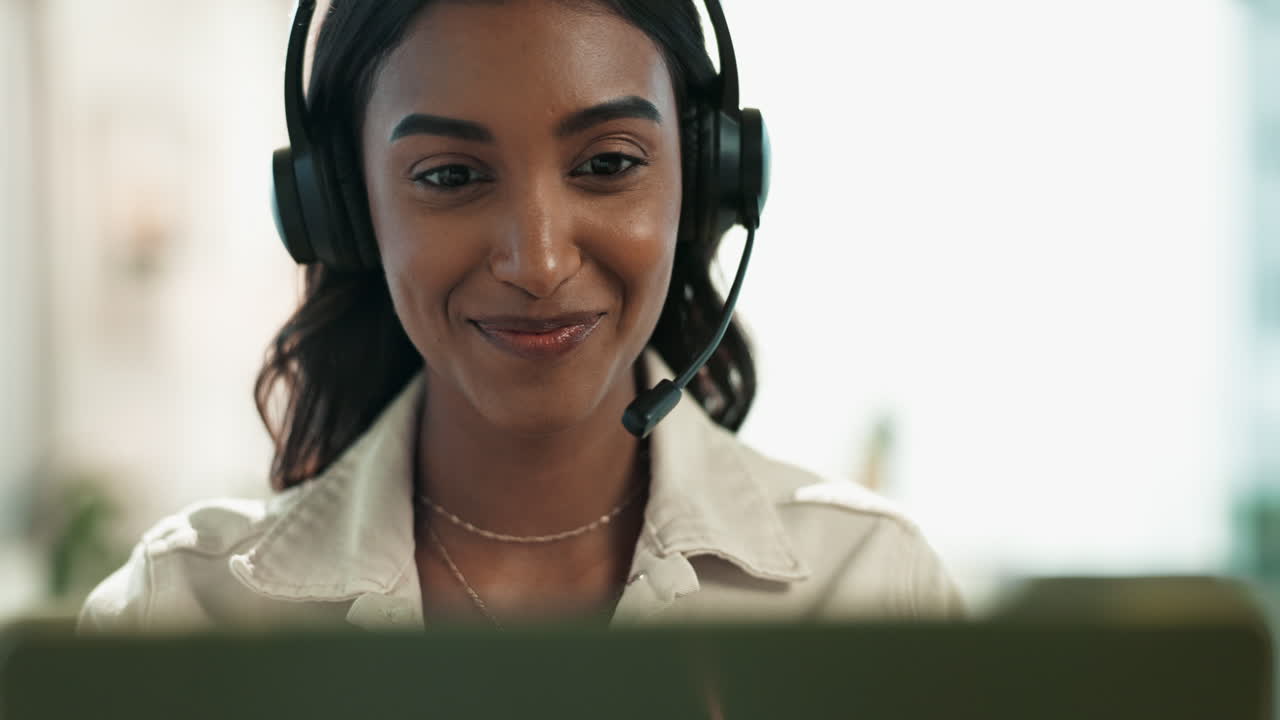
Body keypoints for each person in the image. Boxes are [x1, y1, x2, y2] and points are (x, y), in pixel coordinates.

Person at [79, 0, 962, 632]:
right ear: (345, 213)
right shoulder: (177, 616)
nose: (537, 262)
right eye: (451, 176)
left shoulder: (872, 588)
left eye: (608, 164)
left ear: (706, 177)